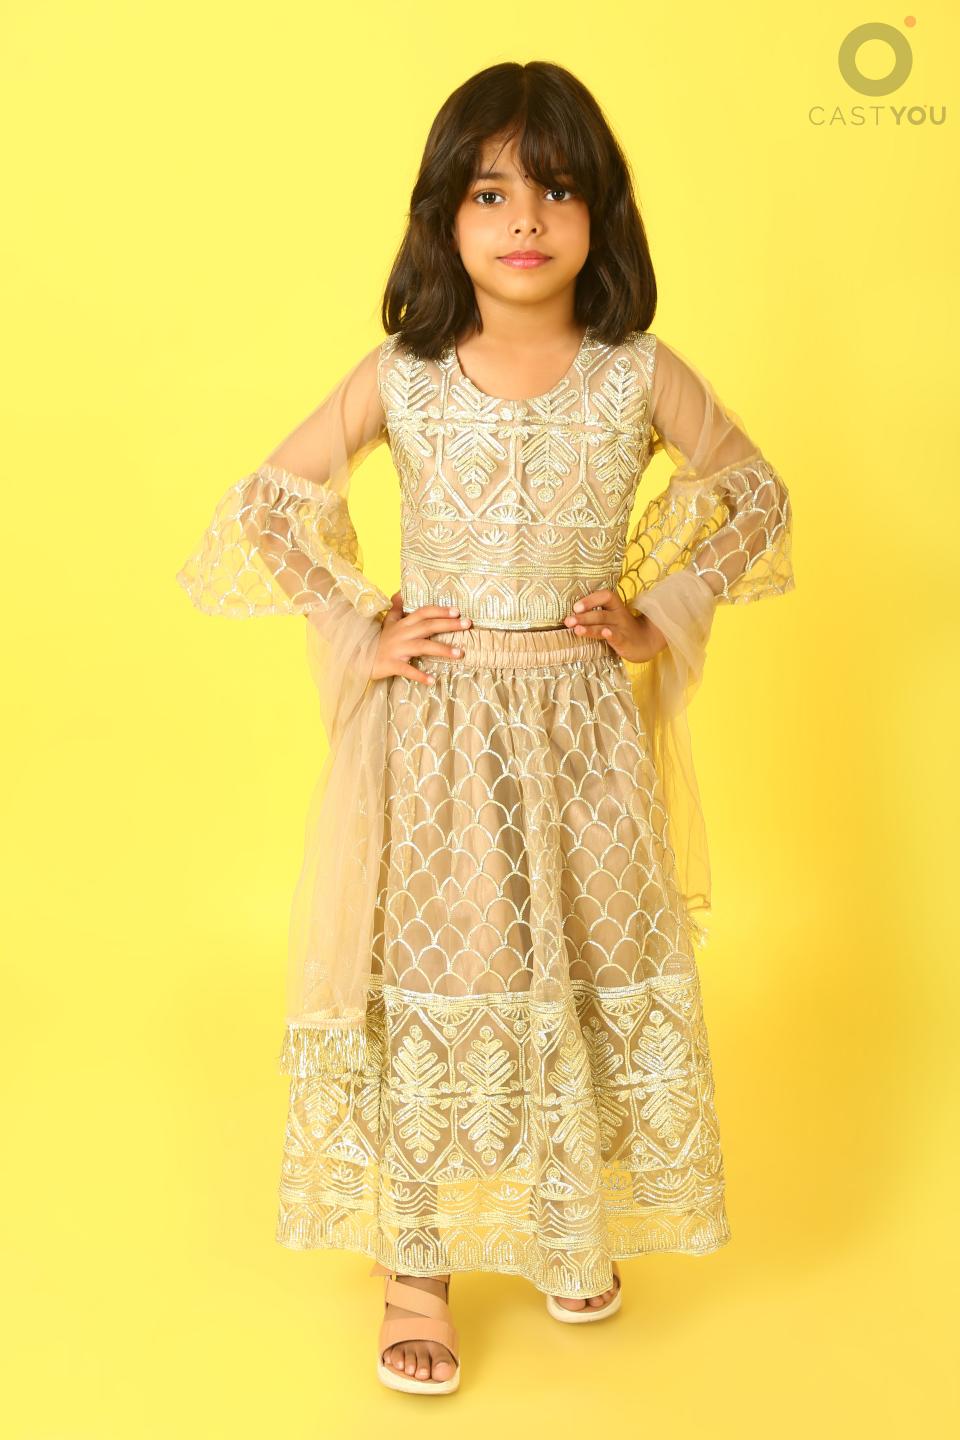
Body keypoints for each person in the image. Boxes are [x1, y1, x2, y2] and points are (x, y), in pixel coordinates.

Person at [176, 60, 795, 1397]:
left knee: (584, 954)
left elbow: (755, 495)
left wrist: (660, 610)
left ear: (602, 213)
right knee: (446, 974)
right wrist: (361, 625)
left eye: (558, 191)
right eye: (491, 192)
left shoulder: (635, 374)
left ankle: (567, 1224)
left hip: (582, 728)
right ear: (443, 218)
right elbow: (270, 507)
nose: (525, 219)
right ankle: (417, 1270)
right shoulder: (405, 377)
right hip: (443, 734)